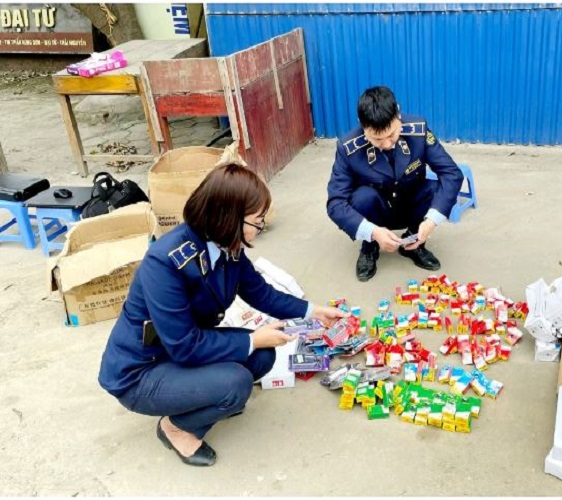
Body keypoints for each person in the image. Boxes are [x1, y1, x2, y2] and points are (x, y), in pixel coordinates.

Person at [98, 163, 346, 467]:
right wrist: (253, 338)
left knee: (262, 357)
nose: (260, 229)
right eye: (256, 222)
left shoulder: (226, 244)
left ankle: (207, 396)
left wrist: (313, 311)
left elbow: (259, 292)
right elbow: (184, 345)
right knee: (237, 383)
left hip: (182, 350)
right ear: (228, 216)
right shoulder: (164, 264)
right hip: (143, 370)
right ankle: (176, 427)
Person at [326, 86, 464, 282]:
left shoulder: (418, 130)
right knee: (363, 197)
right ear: (363, 127)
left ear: (398, 114)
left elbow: (451, 173)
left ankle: (415, 242)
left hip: (411, 205)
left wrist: (433, 220)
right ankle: (369, 247)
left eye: (391, 134)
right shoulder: (348, 148)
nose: (388, 144)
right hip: (377, 213)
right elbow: (335, 203)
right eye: (377, 139)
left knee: (433, 189)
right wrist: (371, 231)